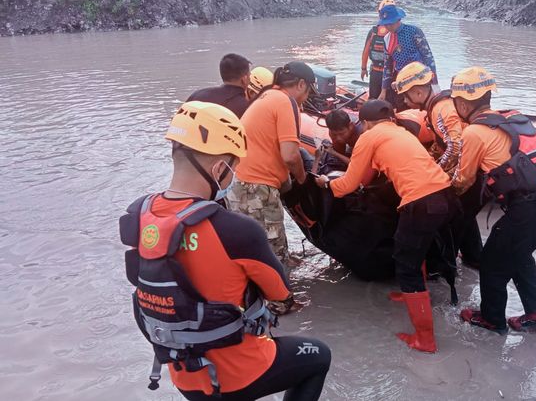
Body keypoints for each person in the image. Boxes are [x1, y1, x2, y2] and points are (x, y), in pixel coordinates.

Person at [119, 101, 331, 400]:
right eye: (232, 168)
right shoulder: (236, 230)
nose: (232, 177)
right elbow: (281, 293)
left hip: (185, 374)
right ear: (220, 169)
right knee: (318, 356)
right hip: (237, 373)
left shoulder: (139, 216)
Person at [314, 100, 460, 353]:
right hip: (445, 195)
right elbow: (368, 174)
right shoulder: (401, 133)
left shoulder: (368, 137)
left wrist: (327, 185)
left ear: (365, 123)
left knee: (406, 265)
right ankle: (410, 294)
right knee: (418, 249)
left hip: (420, 202)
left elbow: (348, 185)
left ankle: (425, 339)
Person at [449, 67, 536, 334]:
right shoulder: (512, 118)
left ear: (463, 102)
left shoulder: (474, 133)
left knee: (492, 259)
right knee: (516, 253)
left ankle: (492, 319)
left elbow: (463, 180)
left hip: (529, 207)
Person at [227, 61, 318, 313]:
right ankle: (279, 303)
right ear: (301, 85)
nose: (307, 97)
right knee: (270, 246)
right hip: (255, 187)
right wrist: (303, 180)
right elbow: (290, 155)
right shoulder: (285, 102)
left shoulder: (266, 96)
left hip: (241, 183)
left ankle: (256, 297)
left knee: (258, 243)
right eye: (308, 91)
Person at [394, 62, 483, 269]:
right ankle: (473, 258)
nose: (405, 101)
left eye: (406, 96)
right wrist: (426, 159)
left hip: (468, 171)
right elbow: (441, 143)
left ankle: (446, 267)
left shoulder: (440, 108)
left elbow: (455, 145)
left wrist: (436, 171)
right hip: (472, 168)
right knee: (465, 217)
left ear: (417, 91)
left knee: (454, 220)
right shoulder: (438, 106)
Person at [377, 5, 437, 109]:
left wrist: (434, 82)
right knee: (402, 108)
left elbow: (428, 56)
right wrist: (383, 90)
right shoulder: (387, 39)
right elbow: (387, 65)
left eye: (390, 24)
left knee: (422, 107)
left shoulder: (414, 31)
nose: (387, 27)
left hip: (419, 77)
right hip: (399, 79)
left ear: (398, 20)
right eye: (385, 24)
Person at [187, 54, 252, 119]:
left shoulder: (196, 96)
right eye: (249, 75)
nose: (250, 79)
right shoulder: (245, 107)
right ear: (244, 79)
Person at [360, 0, 394, 100]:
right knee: (389, 100)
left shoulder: (374, 31)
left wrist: (363, 68)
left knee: (373, 98)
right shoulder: (394, 31)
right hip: (389, 74)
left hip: (375, 72)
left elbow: (366, 51)